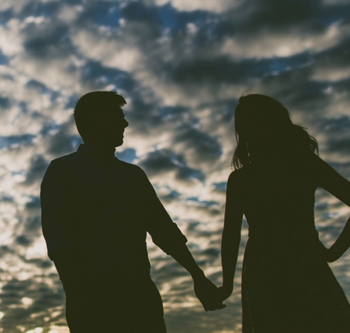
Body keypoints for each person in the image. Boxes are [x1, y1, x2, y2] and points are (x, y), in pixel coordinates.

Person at [40, 91, 223, 332]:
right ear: (95, 120)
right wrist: (77, 291)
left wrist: (197, 277)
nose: (125, 123)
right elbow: (57, 237)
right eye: (118, 116)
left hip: (140, 294)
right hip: (92, 295)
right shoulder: (62, 171)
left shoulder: (133, 176)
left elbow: (163, 229)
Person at [217, 94, 350, 332]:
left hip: (272, 268)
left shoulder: (245, 178)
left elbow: (231, 236)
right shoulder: (301, 165)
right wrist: (331, 253)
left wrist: (227, 283)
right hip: (295, 264)